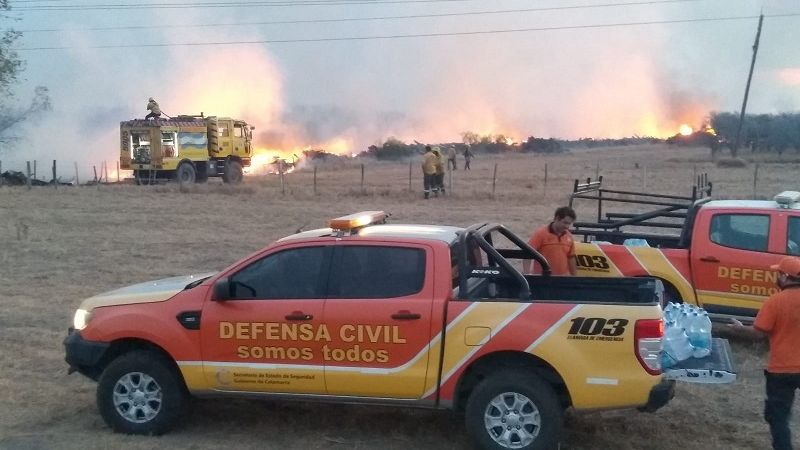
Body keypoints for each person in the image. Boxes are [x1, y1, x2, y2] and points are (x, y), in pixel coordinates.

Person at [729, 256, 800, 450]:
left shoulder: (775, 301)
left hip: (781, 370)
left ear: (786, 277)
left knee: (779, 418)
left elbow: (758, 334)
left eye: (779, 274)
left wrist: (740, 328)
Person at [523, 206, 577, 276]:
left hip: (562, 279)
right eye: (565, 223)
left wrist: (574, 277)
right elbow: (527, 254)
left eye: (569, 224)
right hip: (543, 278)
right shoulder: (541, 234)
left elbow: (571, 258)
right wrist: (527, 274)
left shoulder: (569, 236)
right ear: (557, 219)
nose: (567, 226)